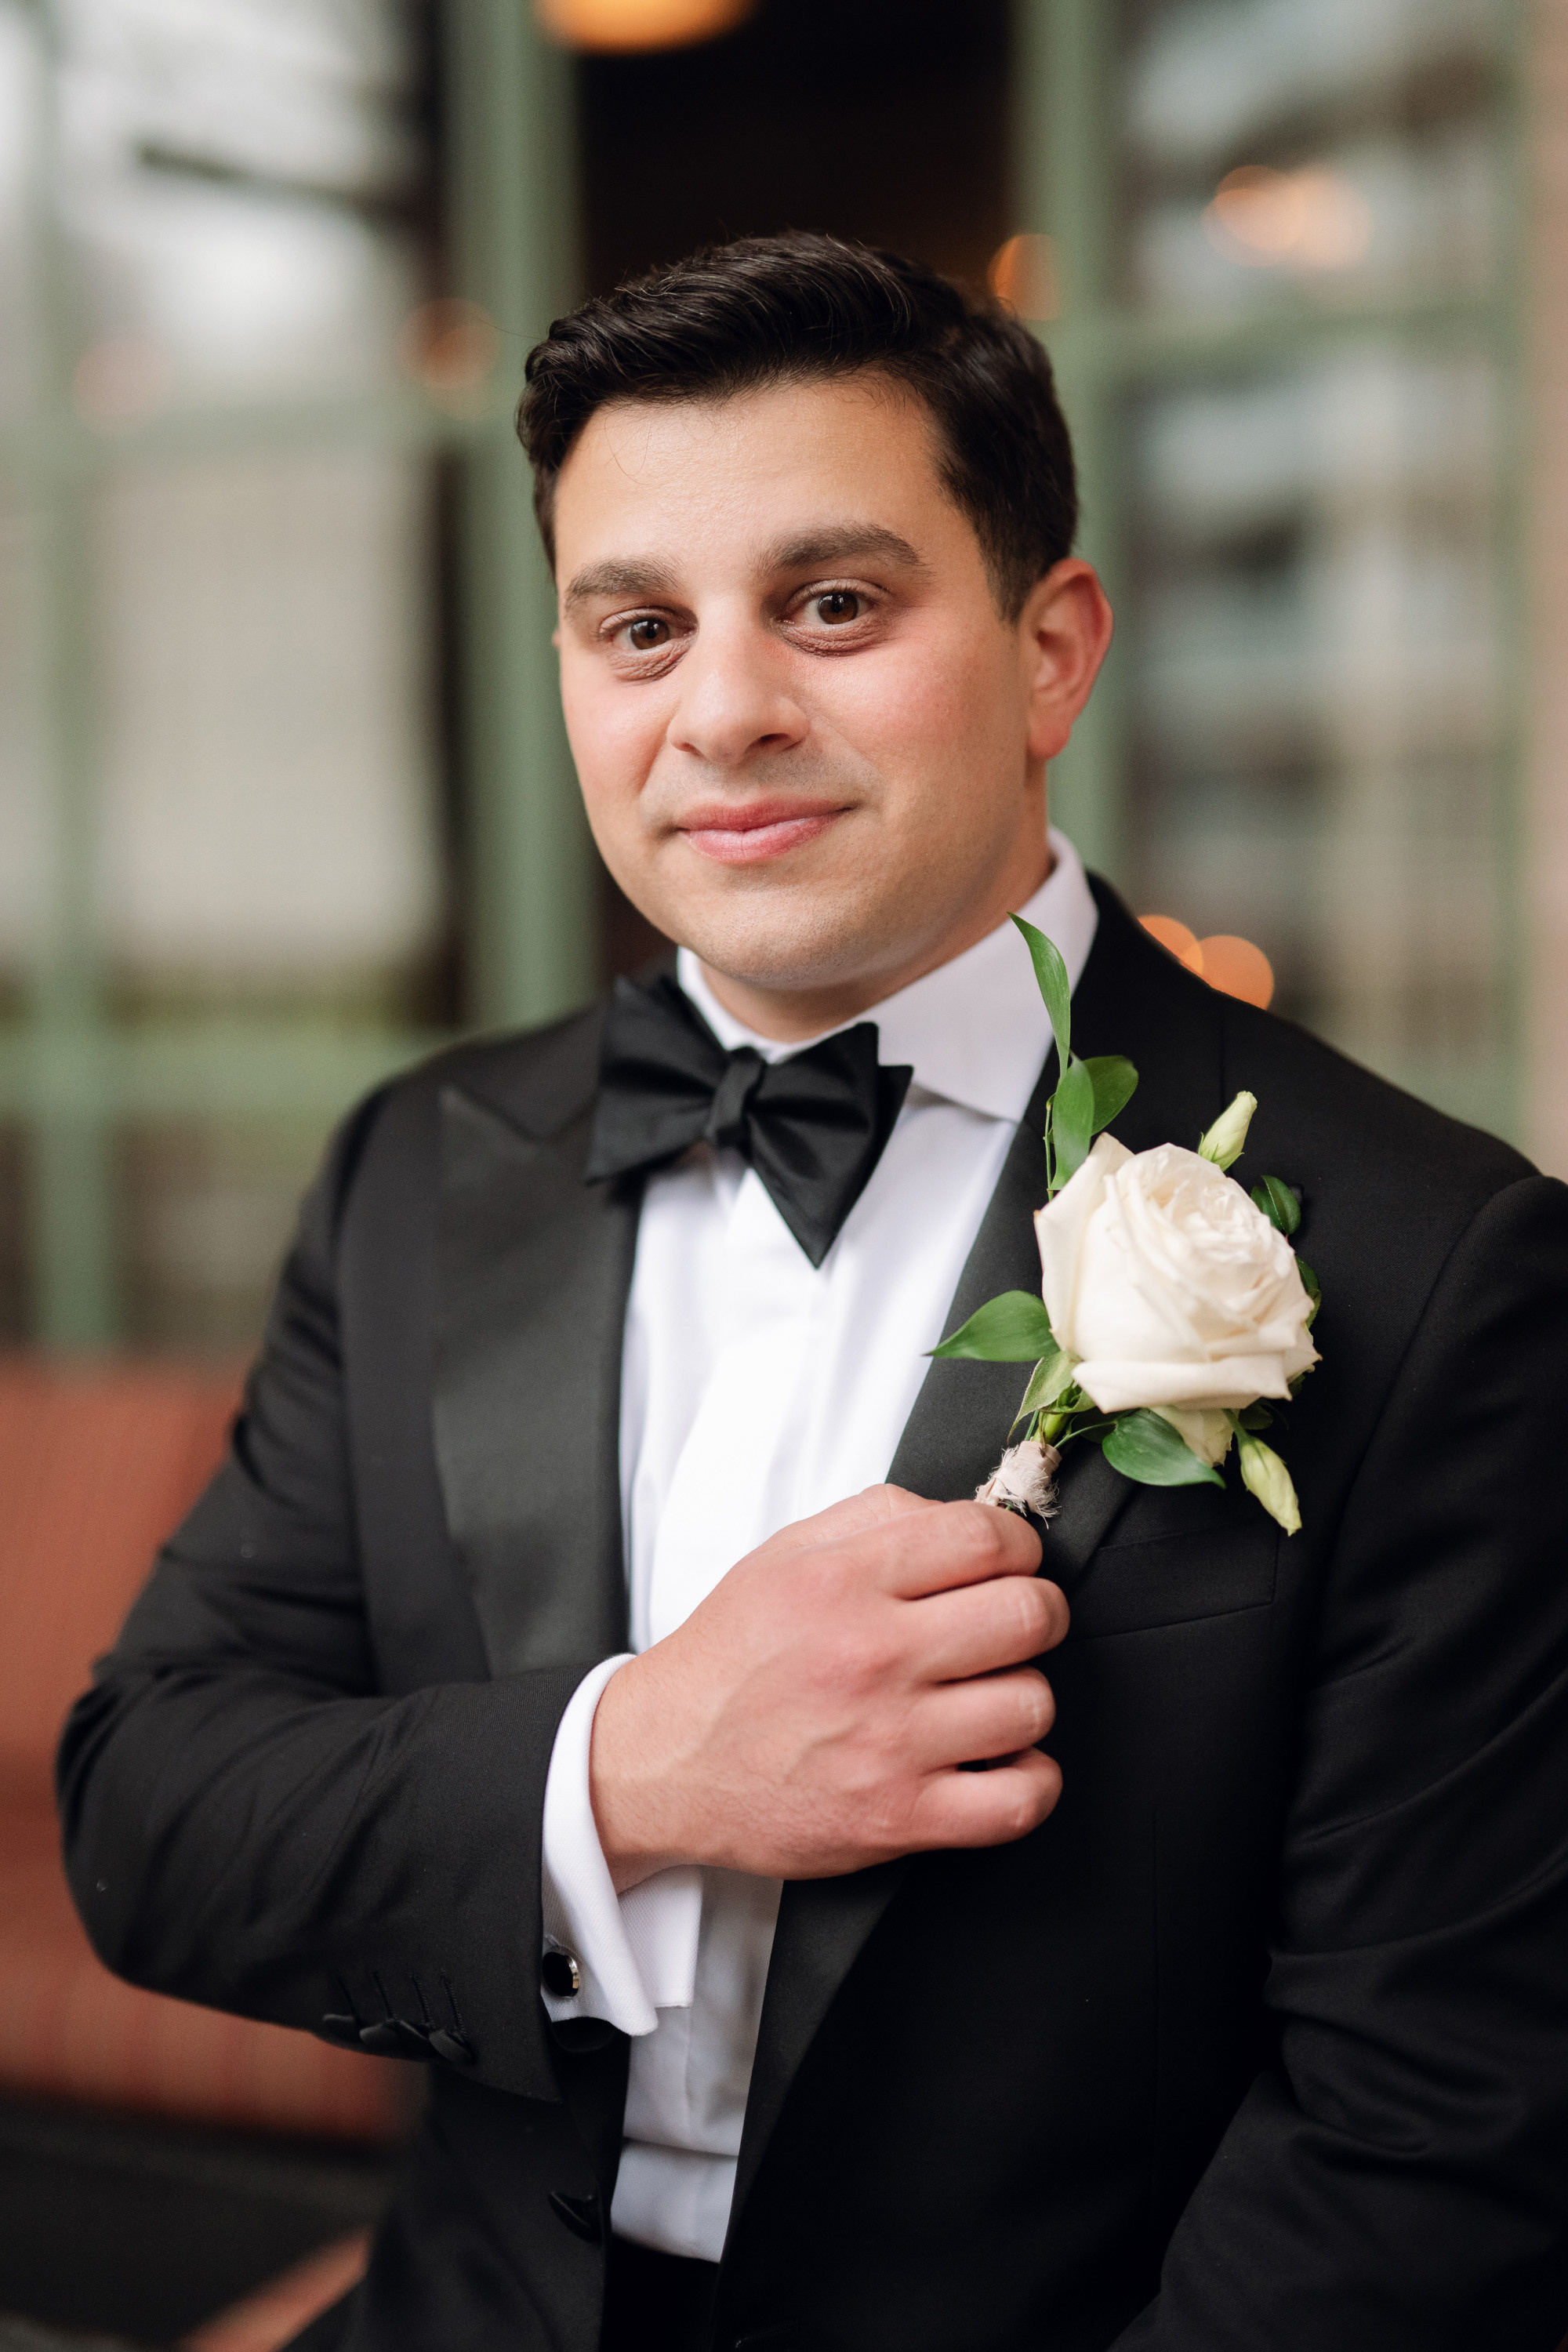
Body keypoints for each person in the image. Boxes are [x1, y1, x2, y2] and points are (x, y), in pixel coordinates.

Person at [59, 235, 1568, 2352]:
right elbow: (155, 1817)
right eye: (640, 627)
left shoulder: (1435, 1261)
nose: (726, 709)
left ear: (1053, 649)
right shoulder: (420, 1167)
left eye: (834, 604)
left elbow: (1432, 2145)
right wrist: (633, 1769)